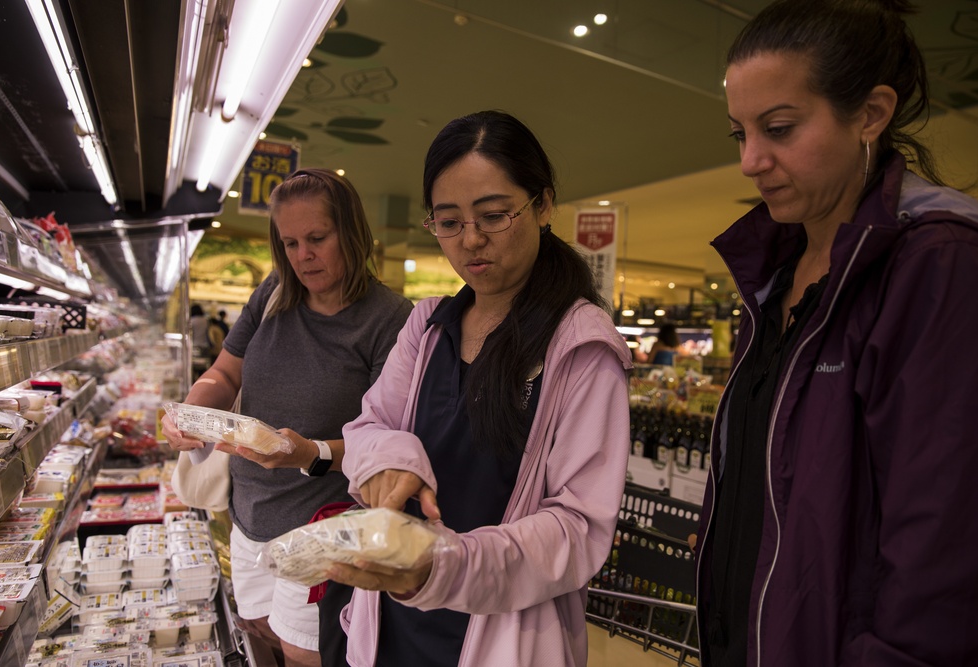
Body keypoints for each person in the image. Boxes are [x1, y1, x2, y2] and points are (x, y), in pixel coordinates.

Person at [695, 2, 978, 666]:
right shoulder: (770, 273)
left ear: (872, 114)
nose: (749, 160)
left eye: (778, 128)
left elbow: (944, 549)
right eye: (738, 133)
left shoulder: (939, 265)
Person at [326, 110, 633, 667]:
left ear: (542, 206)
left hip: (503, 636)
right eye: (448, 222)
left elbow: (578, 527)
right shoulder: (427, 326)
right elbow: (368, 426)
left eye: (494, 216)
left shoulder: (581, 347)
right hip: (395, 617)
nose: (471, 241)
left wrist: (445, 564)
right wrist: (391, 460)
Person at [162, 168, 413, 667]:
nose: (303, 256)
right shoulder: (274, 292)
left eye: (318, 238)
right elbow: (224, 374)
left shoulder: (391, 320)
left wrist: (307, 453)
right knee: (258, 634)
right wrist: (193, 410)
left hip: (322, 528)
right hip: (248, 515)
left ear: (353, 232)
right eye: (291, 242)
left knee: (305, 653)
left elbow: (388, 443)